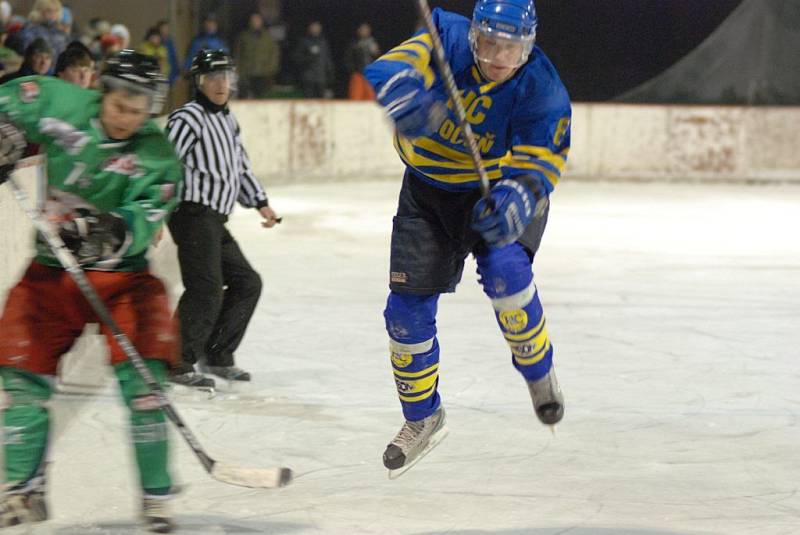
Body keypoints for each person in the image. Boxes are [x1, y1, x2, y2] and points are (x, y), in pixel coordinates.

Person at [364, 0, 571, 471]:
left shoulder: (542, 85)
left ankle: (538, 372)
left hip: (496, 189)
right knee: (405, 313)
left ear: (529, 47)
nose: (499, 59)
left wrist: (519, 198)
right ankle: (422, 416)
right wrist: (402, 92)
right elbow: (391, 66)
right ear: (473, 35)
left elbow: (542, 160)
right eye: (489, 45)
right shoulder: (444, 36)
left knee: (506, 271)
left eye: (512, 50)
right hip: (427, 191)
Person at [0, 50, 181, 532]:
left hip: (124, 280)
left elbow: (147, 214)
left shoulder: (156, 153)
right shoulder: (58, 100)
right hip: (51, 271)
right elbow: (11, 100)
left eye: (141, 109)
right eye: (122, 103)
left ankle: (156, 495)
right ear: (102, 89)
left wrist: (115, 232)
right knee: (20, 378)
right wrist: (7, 132)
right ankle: (23, 491)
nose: (129, 117)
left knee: (145, 387)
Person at [166, 49, 280, 389]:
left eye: (225, 77)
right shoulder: (187, 118)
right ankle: (176, 360)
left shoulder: (228, 120)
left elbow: (240, 168)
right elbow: (165, 165)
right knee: (206, 289)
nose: (220, 84)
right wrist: (154, 212)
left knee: (248, 283)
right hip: (191, 215)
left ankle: (217, 353)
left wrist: (260, 202)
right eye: (212, 78)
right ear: (199, 82)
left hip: (214, 219)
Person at [235, 12, 280, 98]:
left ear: (261, 21)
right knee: (244, 96)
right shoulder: (243, 36)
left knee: (261, 97)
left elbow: (274, 54)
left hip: (263, 73)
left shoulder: (269, 37)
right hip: (247, 72)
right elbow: (238, 54)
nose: (255, 22)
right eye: (253, 20)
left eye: (257, 20)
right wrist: (238, 70)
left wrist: (271, 68)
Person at [291, 21, 334, 98]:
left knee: (323, 102)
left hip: (322, 78)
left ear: (320, 29)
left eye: (317, 27)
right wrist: (308, 58)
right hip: (308, 78)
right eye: (313, 27)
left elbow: (328, 60)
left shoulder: (324, 42)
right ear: (309, 29)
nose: (315, 29)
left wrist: (330, 74)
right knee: (309, 101)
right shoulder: (304, 41)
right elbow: (296, 58)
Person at [344, 22, 379, 100]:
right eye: (363, 29)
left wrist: (376, 52)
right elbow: (348, 59)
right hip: (358, 74)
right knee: (356, 98)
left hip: (370, 75)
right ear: (359, 31)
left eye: (367, 29)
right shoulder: (354, 44)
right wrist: (354, 71)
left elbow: (377, 58)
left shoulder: (373, 43)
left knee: (371, 98)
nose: (365, 31)